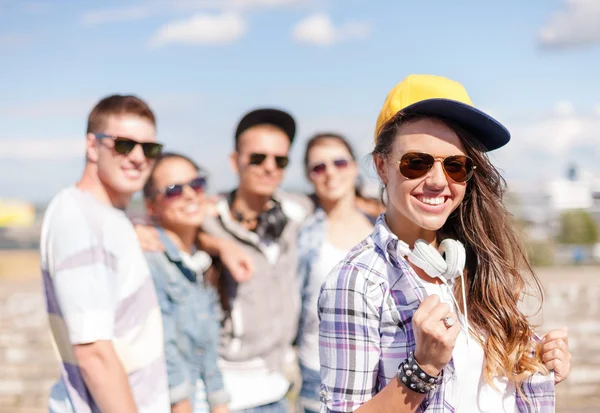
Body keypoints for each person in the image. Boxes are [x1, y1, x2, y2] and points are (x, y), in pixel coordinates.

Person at [318, 74, 571, 412]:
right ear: (382, 166)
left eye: (455, 166)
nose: (438, 181)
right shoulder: (357, 281)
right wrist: (423, 368)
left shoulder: (473, 262)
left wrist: (536, 363)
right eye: (417, 163)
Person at [40, 95, 170, 413]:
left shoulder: (105, 217)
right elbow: (93, 354)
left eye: (149, 148)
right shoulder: (80, 220)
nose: (139, 157)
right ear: (91, 146)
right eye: (124, 144)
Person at [200, 108, 313, 413]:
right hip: (228, 394)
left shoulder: (296, 213)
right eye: (257, 158)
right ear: (234, 161)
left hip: (279, 388)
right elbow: (157, 230)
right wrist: (217, 243)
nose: (269, 168)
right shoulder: (206, 218)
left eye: (281, 160)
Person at [142, 152, 231, 413]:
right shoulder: (152, 261)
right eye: (173, 190)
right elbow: (163, 347)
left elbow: (208, 351)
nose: (190, 194)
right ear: (151, 206)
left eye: (197, 184)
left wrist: (219, 402)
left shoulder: (200, 261)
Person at [295, 133, 376, 413]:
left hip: (378, 373)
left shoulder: (382, 229)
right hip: (318, 375)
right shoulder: (301, 231)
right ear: (309, 177)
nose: (330, 172)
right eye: (319, 167)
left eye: (339, 163)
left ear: (354, 167)